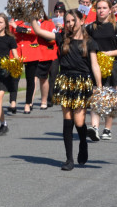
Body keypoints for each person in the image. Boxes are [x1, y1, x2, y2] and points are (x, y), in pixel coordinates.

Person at [32, 9, 103, 170]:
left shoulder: (89, 42)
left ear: (82, 21)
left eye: (73, 21)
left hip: (82, 82)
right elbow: (38, 31)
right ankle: (69, 159)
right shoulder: (61, 38)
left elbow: (95, 65)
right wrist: (31, 15)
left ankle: (83, 143)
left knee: (79, 122)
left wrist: (99, 86)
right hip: (65, 80)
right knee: (67, 120)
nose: (70, 24)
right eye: (67, 21)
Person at [85, 0, 117, 141]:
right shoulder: (90, 28)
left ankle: (107, 129)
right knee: (96, 96)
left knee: (110, 99)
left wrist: (109, 53)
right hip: (95, 65)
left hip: (113, 65)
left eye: (104, 8)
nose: (101, 11)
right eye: (99, 8)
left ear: (110, 10)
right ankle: (94, 128)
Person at [10, 15, 52, 113]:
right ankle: (13, 102)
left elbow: (34, 31)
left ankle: (27, 104)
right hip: (17, 51)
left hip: (31, 52)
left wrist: (18, 28)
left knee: (30, 79)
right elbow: (10, 34)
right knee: (14, 78)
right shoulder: (13, 20)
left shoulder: (34, 21)